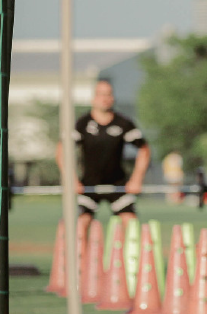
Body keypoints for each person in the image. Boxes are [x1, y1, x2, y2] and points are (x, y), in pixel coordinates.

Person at [56, 79, 151, 256]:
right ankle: (81, 268)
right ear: (93, 98)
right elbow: (62, 150)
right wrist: (72, 179)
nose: (105, 99)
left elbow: (144, 150)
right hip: (89, 185)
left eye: (108, 94)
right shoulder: (82, 124)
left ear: (113, 98)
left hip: (117, 184)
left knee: (130, 223)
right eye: (101, 94)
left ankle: (126, 266)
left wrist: (137, 179)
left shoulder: (123, 123)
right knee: (81, 224)